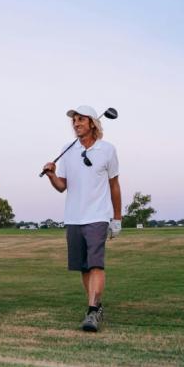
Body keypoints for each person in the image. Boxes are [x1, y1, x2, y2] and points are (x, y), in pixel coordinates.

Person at [42, 105, 122, 333]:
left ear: (92, 123)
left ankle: (91, 311)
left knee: (96, 263)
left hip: (98, 215)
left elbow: (114, 185)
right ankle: (95, 306)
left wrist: (117, 218)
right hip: (73, 217)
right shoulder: (67, 150)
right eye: (74, 120)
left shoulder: (107, 150)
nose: (76, 123)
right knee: (83, 267)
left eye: (80, 119)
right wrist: (51, 175)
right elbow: (61, 187)